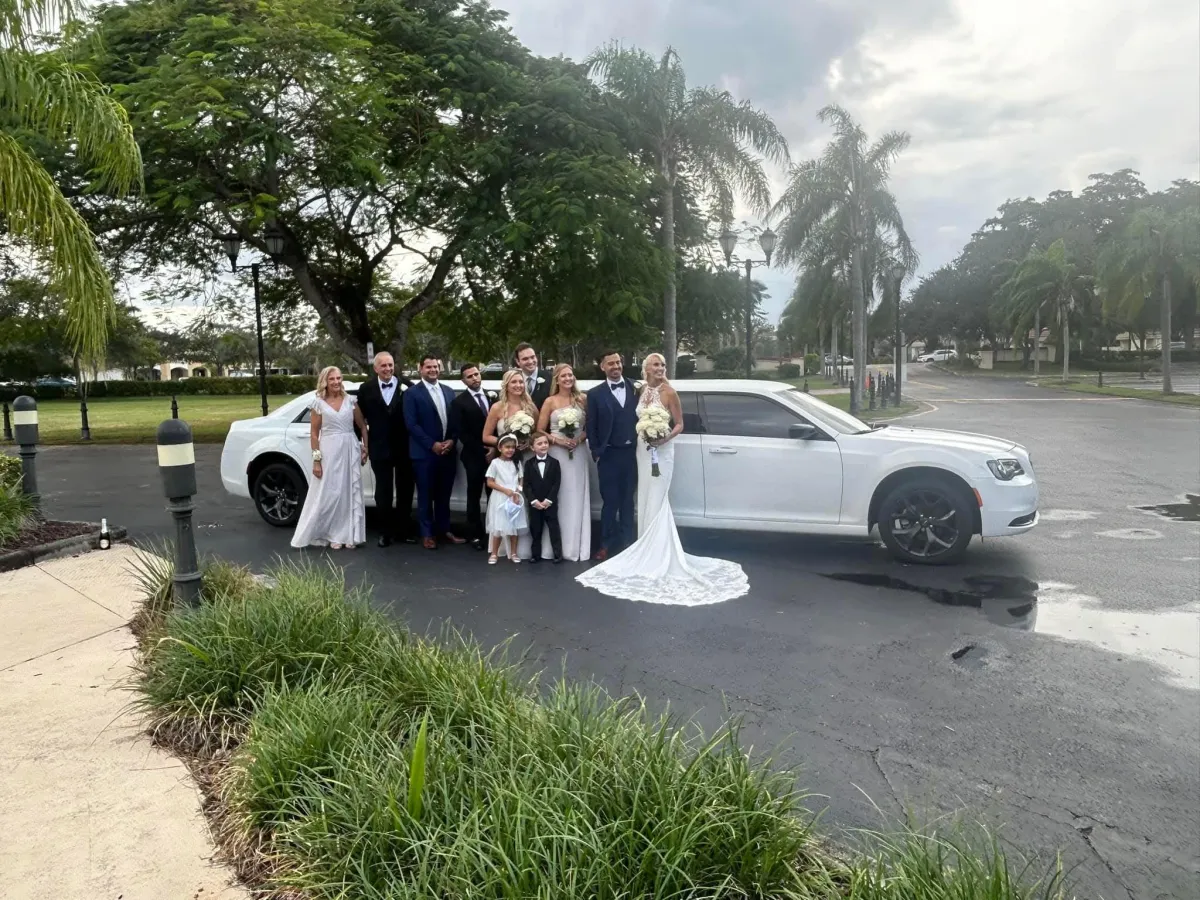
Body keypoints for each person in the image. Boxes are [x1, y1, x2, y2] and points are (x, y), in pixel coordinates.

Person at [576, 353, 749, 605]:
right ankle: (633, 544)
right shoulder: (640, 390)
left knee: (653, 497)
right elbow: (596, 423)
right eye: (655, 364)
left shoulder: (668, 392)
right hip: (639, 453)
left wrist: (663, 438)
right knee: (637, 497)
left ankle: (650, 550)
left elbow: (679, 424)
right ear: (645, 368)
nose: (660, 368)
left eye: (663, 365)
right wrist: (598, 451)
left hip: (661, 451)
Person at [291, 366, 367, 550]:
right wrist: (316, 460)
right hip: (329, 451)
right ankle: (328, 532)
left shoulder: (350, 401)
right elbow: (314, 434)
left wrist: (365, 447)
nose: (336, 382)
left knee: (347, 491)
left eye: (339, 378)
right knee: (329, 492)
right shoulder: (318, 404)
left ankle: (347, 534)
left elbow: (362, 426)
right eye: (332, 379)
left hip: (349, 449)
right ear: (325, 381)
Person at [403, 353, 464, 550]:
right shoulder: (412, 393)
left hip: (447, 452)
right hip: (424, 454)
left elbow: (454, 421)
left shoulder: (448, 391)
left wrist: (452, 441)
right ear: (420, 368)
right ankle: (427, 534)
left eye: (436, 367)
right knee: (425, 495)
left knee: (444, 495)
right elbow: (411, 424)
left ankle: (444, 530)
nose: (433, 370)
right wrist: (432, 444)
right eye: (428, 367)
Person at [356, 351, 415, 546]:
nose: (388, 369)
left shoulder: (407, 385)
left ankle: (404, 531)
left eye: (390, 365)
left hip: (404, 447)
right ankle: (384, 532)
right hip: (379, 447)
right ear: (375, 368)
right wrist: (363, 444)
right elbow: (359, 420)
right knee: (383, 491)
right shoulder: (366, 389)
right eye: (384, 366)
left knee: (405, 490)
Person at [584, 350, 638, 561]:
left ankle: (627, 542)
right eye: (610, 364)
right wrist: (596, 452)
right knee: (610, 501)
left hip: (632, 454)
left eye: (618, 362)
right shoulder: (595, 393)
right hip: (608, 455)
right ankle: (606, 543)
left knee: (628, 500)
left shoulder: (636, 387)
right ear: (602, 367)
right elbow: (591, 424)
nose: (615, 367)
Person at [482, 369, 539, 559]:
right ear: (506, 385)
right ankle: (500, 550)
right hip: (505, 460)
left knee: (524, 499)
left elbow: (538, 433)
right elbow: (486, 435)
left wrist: (527, 442)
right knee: (504, 505)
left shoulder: (531, 407)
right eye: (513, 382)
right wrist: (507, 443)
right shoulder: (498, 407)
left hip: (526, 459)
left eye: (521, 382)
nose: (518, 385)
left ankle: (522, 549)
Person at [536, 363, 591, 561]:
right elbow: (540, 430)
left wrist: (578, 439)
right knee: (558, 495)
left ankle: (575, 546)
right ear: (557, 379)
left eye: (571, 375)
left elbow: (590, 427)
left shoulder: (582, 399)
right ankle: (555, 546)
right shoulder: (550, 401)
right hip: (557, 455)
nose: (568, 378)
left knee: (576, 496)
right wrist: (558, 440)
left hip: (578, 452)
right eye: (564, 376)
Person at [451, 362, 492, 550]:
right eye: (470, 376)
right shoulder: (459, 402)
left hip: (495, 454)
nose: (474, 378)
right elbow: (462, 433)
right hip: (474, 456)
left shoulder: (493, 397)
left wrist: (494, 450)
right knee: (474, 495)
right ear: (463, 380)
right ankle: (476, 534)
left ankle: (495, 532)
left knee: (495, 493)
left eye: (476, 374)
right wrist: (483, 450)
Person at [485, 434, 527, 564]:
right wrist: (505, 490)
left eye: (513, 447)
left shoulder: (517, 463)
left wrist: (517, 491)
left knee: (513, 526)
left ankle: (514, 552)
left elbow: (521, 479)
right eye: (507, 447)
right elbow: (490, 482)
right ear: (500, 447)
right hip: (500, 497)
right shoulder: (495, 463)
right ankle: (494, 553)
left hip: (514, 497)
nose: (510, 450)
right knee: (498, 526)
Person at [523, 431, 562, 564]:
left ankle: (557, 554)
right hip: (535, 504)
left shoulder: (555, 463)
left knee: (554, 528)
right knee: (535, 529)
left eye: (545, 443)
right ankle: (535, 554)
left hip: (549, 503)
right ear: (532, 447)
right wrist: (533, 500)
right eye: (539, 443)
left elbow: (557, 483)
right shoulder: (528, 464)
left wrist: (549, 500)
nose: (544, 445)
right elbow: (526, 485)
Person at [514, 342, 550, 409]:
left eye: (532, 357)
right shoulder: (513, 381)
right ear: (517, 361)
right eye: (525, 359)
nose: (530, 361)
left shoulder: (550, 378)